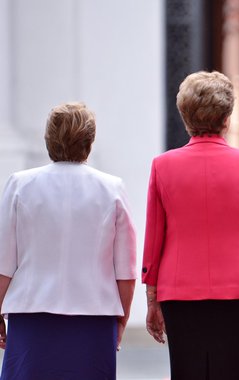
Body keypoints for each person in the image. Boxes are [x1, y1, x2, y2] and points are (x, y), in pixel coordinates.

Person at [142, 71, 239, 380]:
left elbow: (154, 236)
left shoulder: (162, 165)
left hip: (179, 292)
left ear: (185, 117)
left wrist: (152, 299)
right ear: (227, 118)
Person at [0, 102, 137, 379]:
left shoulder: (19, 184)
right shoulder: (112, 188)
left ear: (48, 139)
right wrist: (121, 320)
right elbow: (126, 271)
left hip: (31, 317)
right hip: (94, 320)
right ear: (89, 141)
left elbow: (4, 262)